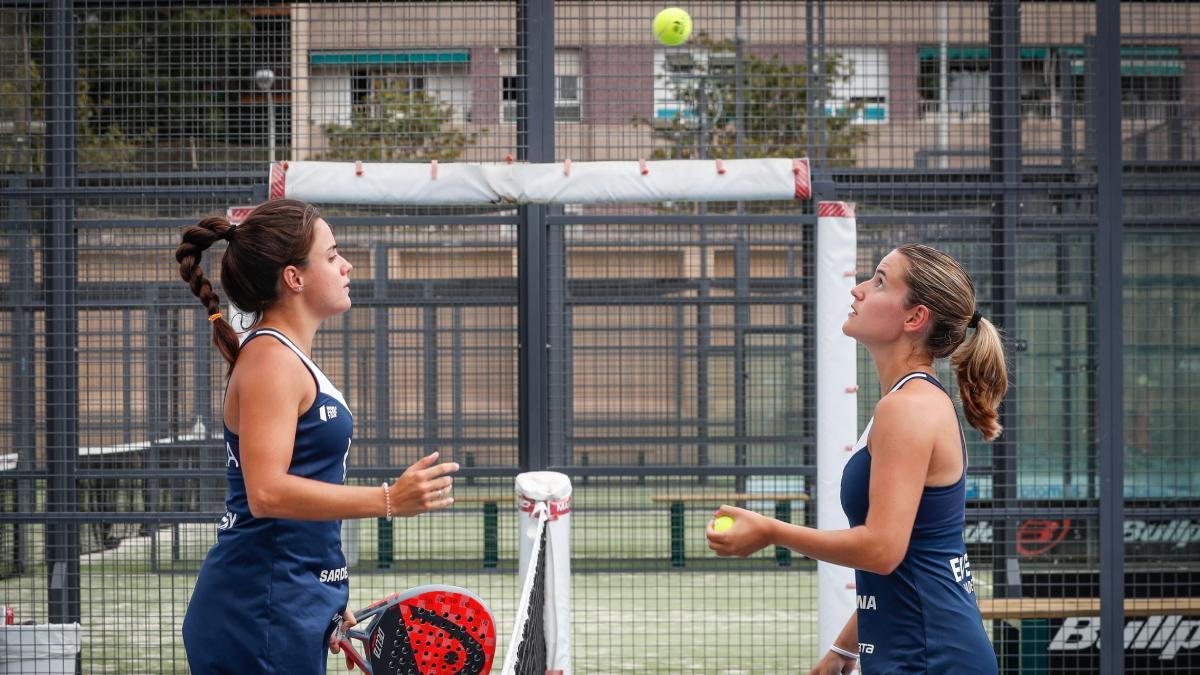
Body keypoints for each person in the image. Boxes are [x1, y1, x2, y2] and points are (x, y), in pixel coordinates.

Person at [176, 199, 459, 674]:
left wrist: (325, 593)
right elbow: (266, 494)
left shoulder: (284, 358)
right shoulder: (270, 361)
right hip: (257, 612)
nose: (346, 265)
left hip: (287, 603)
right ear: (294, 277)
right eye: (331, 256)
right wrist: (389, 499)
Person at [706, 244, 1006, 674]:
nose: (860, 289)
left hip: (932, 659)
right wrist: (845, 649)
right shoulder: (903, 402)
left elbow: (883, 549)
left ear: (914, 317)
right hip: (914, 652)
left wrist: (771, 531)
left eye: (880, 281)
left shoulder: (908, 409)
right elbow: (912, 558)